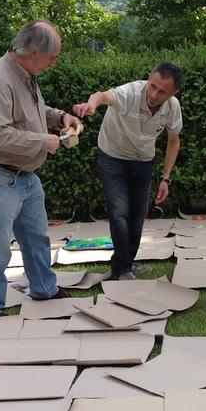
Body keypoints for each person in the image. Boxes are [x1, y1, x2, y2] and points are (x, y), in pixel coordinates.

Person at [0, 20, 81, 318]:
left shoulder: (24, 74)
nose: (53, 64)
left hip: (23, 175)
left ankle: (45, 289)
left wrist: (59, 118)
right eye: (52, 57)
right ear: (33, 52)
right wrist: (43, 141)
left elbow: (31, 113)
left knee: (35, 237)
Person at [72, 63, 183, 280]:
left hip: (143, 160)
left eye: (162, 92)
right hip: (112, 155)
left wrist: (165, 179)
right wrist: (91, 105)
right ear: (148, 77)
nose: (154, 94)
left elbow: (173, 141)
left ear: (173, 93)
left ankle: (127, 264)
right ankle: (122, 268)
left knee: (138, 215)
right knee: (119, 212)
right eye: (152, 86)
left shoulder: (173, 107)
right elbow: (102, 95)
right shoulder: (129, 92)